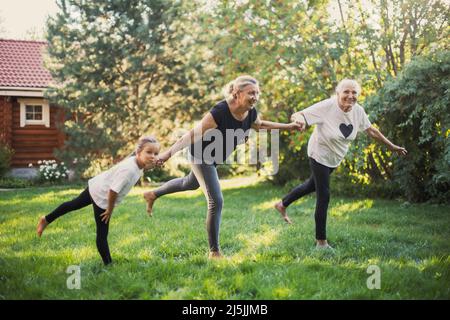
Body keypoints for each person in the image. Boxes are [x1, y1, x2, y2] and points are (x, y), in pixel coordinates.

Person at [143, 75, 302, 259]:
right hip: (201, 154)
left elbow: (260, 125)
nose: (255, 97)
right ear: (237, 93)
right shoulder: (219, 111)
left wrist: (289, 127)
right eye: (251, 93)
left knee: (190, 183)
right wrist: (167, 154)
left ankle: (152, 194)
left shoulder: (250, 111)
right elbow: (190, 135)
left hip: (216, 156)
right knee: (215, 201)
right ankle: (214, 252)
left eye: (257, 93)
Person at [274, 79, 407, 249]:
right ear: (338, 93)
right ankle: (321, 242)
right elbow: (299, 114)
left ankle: (282, 204)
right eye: (346, 92)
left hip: (335, 157)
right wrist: (299, 120)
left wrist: (392, 146)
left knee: (311, 185)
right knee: (324, 193)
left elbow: (371, 130)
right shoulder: (327, 106)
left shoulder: (358, 111)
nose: (350, 96)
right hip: (318, 153)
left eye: (354, 93)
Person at [36, 136, 160, 265]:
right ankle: (108, 264)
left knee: (73, 204)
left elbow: (143, 168)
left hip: (98, 185)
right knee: (102, 232)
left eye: (156, 153)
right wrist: (109, 210)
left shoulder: (138, 162)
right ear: (138, 152)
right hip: (103, 195)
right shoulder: (128, 170)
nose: (153, 156)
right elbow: (113, 190)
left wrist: (155, 163)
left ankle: (46, 219)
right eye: (149, 152)